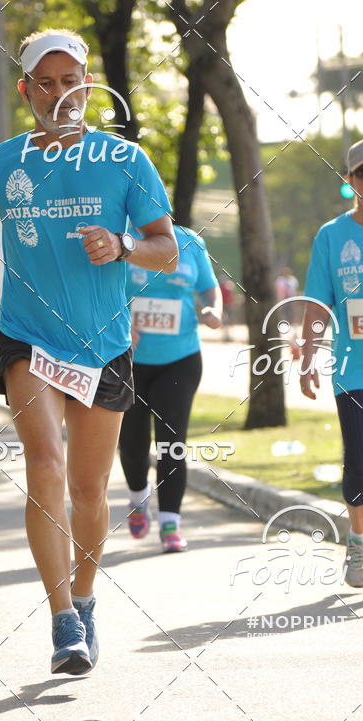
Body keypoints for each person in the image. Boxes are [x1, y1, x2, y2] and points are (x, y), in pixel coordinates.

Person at [0, 29, 178, 676]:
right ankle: (62, 617)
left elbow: (167, 248)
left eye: (72, 80)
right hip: (27, 336)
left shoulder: (124, 160)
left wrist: (124, 246)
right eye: (47, 82)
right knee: (44, 463)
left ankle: (86, 594)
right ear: (26, 91)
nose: (61, 93)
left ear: (88, 84)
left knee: (89, 488)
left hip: (101, 344)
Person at [301, 135, 363, 590]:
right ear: (349, 180)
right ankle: (358, 538)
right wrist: (308, 356)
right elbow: (318, 302)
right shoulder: (332, 236)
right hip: (356, 370)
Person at [119, 225, 221, 552]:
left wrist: (212, 309)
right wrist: (120, 320)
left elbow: (209, 287)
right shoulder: (120, 239)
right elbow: (100, 291)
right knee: (132, 441)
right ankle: (138, 498)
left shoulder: (191, 242)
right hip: (129, 360)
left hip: (181, 357)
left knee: (172, 440)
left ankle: (170, 523)